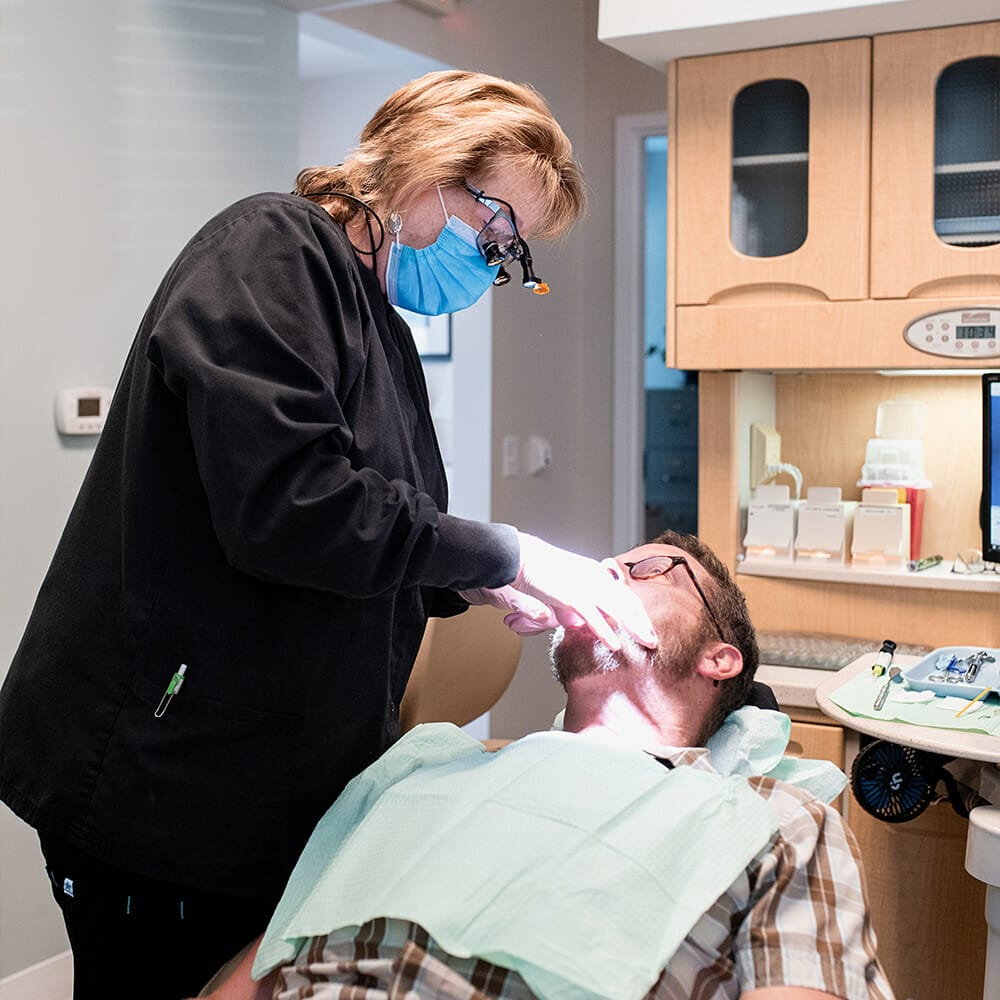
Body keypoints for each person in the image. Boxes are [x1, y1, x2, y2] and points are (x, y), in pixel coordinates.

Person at [0, 70, 658, 1000]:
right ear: (431, 167)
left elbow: (376, 520)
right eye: (497, 229)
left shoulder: (375, 325)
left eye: (512, 250)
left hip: (260, 775)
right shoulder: (270, 251)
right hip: (159, 769)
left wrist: (471, 585)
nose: (496, 261)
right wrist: (509, 552)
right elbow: (292, 507)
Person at [202, 529, 893, 1000]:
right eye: (607, 567)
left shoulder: (774, 821)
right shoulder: (423, 768)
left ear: (720, 659)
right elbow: (275, 955)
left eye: (651, 569)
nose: (611, 574)